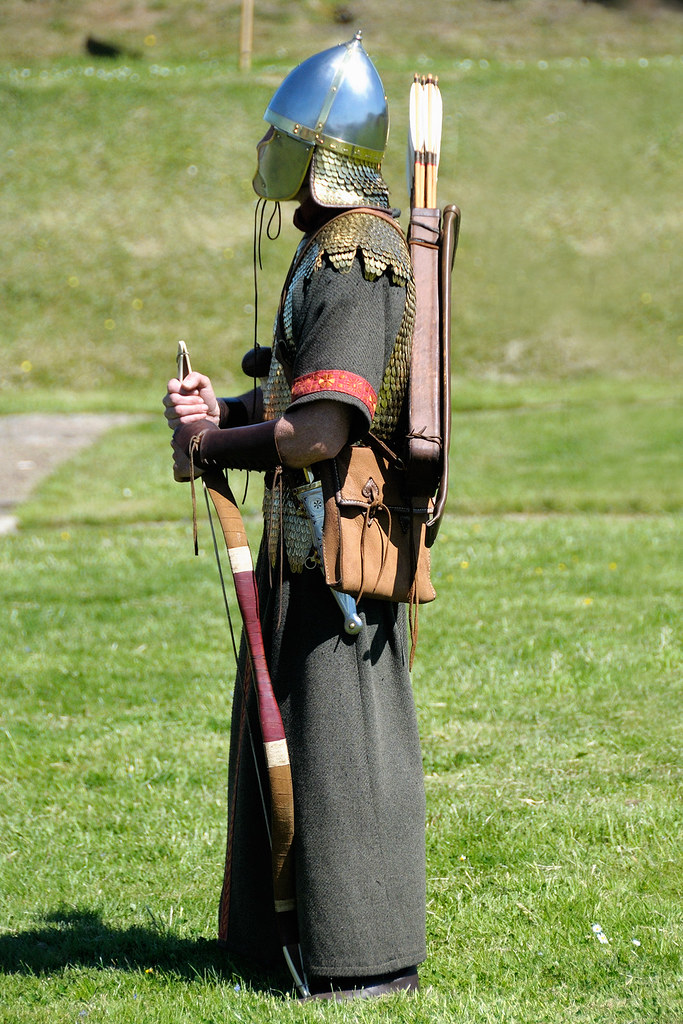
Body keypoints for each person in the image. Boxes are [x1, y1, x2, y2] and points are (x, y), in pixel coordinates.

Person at [164, 32, 426, 1000]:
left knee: (340, 743)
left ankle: (362, 956)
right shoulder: (327, 247)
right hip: (299, 539)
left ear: (314, 153)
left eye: (279, 137)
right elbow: (291, 402)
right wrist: (223, 417)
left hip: (338, 545)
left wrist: (213, 449)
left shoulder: (359, 255)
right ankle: (280, 936)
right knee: (290, 732)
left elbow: (318, 431)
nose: (264, 154)